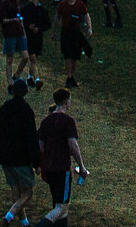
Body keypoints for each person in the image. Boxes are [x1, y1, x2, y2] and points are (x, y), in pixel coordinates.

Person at [0, 78, 41, 227]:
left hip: (5, 157)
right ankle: (7, 218)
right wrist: (37, 163)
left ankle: (24, 223)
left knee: (15, 191)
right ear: (26, 92)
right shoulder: (26, 111)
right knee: (27, 193)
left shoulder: (4, 108)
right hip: (21, 158)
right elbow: (31, 138)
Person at [36, 87, 84, 226]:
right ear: (65, 101)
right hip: (62, 168)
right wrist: (81, 166)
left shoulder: (45, 122)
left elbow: (41, 146)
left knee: (61, 207)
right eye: (69, 99)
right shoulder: (68, 121)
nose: (70, 102)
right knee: (61, 206)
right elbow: (73, 145)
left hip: (49, 168)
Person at [55, 0, 92, 88]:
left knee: (75, 56)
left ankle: (72, 76)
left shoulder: (80, 5)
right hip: (65, 32)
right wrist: (55, 31)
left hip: (75, 32)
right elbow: (57, 17)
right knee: (67, 55)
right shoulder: (62, 5)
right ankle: (69, 76)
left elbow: (86, 16)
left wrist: (89, 28)